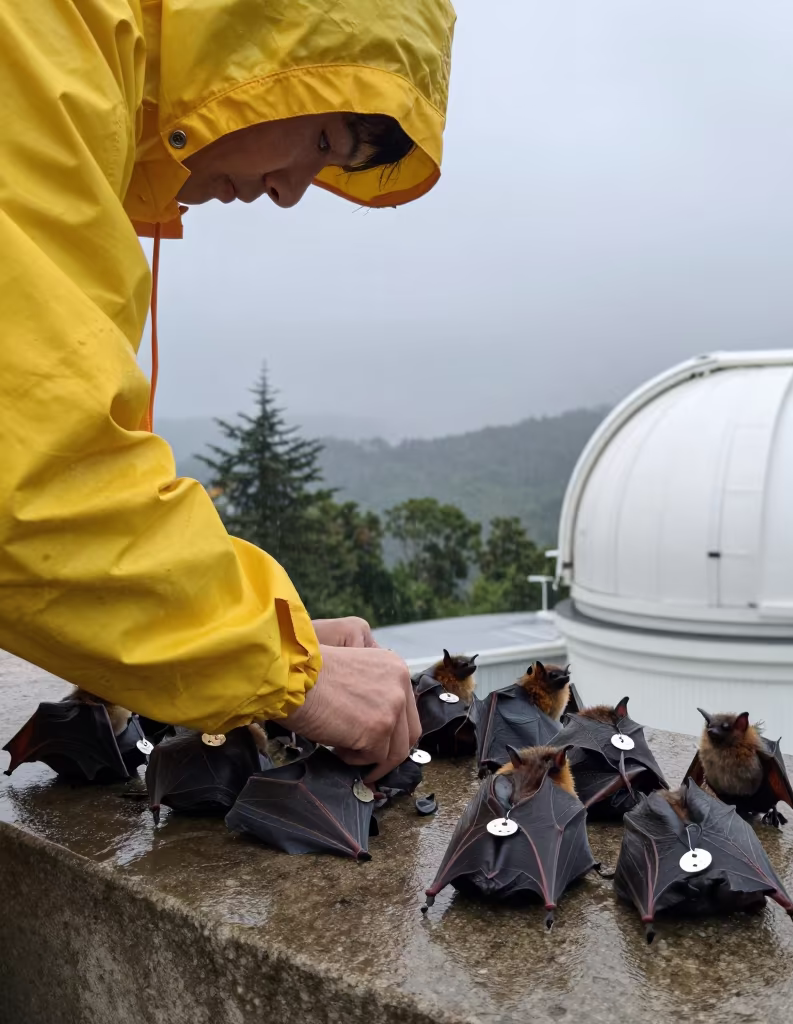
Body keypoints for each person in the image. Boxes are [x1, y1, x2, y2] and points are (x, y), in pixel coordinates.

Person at [0, 0, 456, 783]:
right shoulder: (41, 37)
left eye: (334, 162)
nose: (291, 192)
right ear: (250, 32)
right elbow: (31, 475)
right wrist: (281, 663)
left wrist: (257, 630)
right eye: (320, 136)